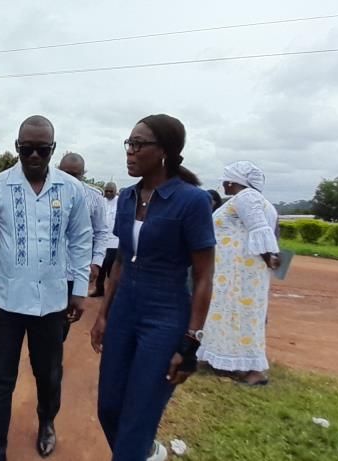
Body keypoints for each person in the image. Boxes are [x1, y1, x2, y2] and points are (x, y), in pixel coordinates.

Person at [90, 114, 216, 461]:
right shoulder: (128, 197)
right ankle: (147, 452)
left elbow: (205, 276)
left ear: (164, 151)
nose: (129, 152)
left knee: (138, 418)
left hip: (165, 319)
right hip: (123, 314)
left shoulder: (192, 201)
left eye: (138, 144)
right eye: (128, 143)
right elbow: (119, 263)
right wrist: (103, 315)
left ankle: (137, 450)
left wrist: (190, 343)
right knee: (108, 407)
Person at [0, 115, 93, 460]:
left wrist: (80, 289)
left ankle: (47, 422)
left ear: (52, 149)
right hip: (4, 300)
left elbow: (81, 241)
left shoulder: (71, 189)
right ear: (17, 147)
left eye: (42, 149)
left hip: (53, 302)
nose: (34, 156)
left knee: (49, 374)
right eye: (27, 149)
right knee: (1, 380)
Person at [197, 161, 280, 387]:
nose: (223, 183)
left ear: (233, 181)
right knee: (226, 315)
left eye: (226, 179)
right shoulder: (250, 200)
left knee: (244, 317)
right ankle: (220, 359)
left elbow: (259, 229)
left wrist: (269, 258)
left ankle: (253, 371)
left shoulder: (247, 198)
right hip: (232, 273)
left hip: (241, 275)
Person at [57, 153, 110, 322]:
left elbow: (102, 232)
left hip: (75, 271)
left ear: (83, 173)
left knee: (63, 323)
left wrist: (96, 262)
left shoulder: (94, 197)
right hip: (48, 271)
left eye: (75, 175)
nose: (70, 178)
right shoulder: (47, 192)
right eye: (66, 173)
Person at [94, 182, 120, 297]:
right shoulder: (101, 202)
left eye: (111, 191)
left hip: (115, 242)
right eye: (107, 191)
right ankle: (99, 290)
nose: (109, 193)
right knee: (101, 267)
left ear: (115, 190)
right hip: (102, 241)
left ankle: (113, 293)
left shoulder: (120, 202)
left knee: (112, 269)